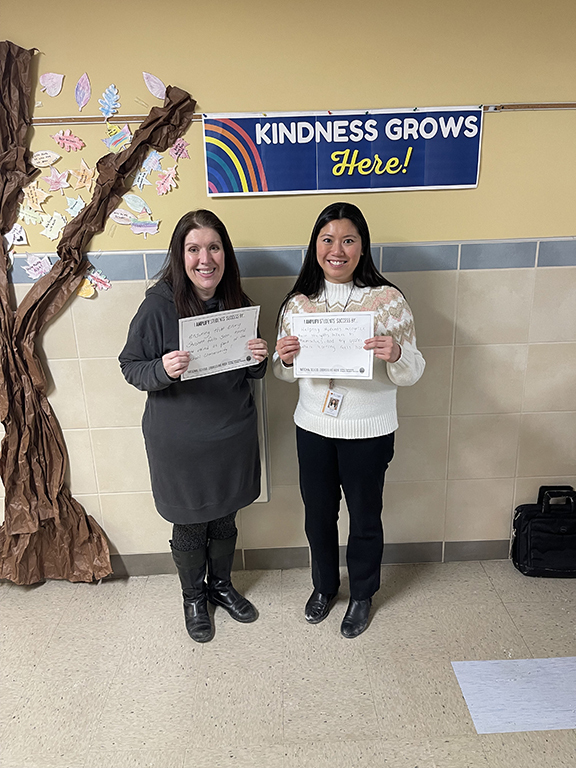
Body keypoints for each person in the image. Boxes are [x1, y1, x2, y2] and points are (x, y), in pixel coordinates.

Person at [274, 202, 425, 638]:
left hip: (369, 430)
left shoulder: (387, 300)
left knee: (364, 517)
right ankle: (324, 587)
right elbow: (286, 373)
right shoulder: (299, 304)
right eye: (327, 239)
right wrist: (284, 360)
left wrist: (396, 354)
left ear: (362, 248)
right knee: (318, 516)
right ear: (315, 246)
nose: (336, 249)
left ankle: (362, 593)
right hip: (314, 429)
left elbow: (413, 371)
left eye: (347, 240)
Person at [119, 210, 268, 643]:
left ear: (226, 254)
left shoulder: (239, 303)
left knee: (225, 515)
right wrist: (163, 369)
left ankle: (221, 585)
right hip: (180, 443)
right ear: (180, 255)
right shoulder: (158, 306)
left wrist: (259, 359)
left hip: (232, 436)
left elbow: (250, 372)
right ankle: (193, 597)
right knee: (189, 522)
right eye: (194, 249)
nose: (206, 259)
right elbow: (131, 366)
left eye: (214, 247)